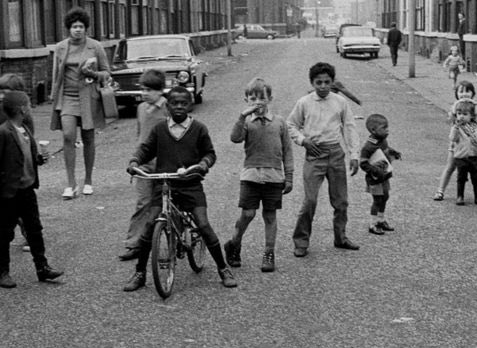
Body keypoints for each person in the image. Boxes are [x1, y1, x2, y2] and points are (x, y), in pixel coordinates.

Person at [123, 86, 237, 291]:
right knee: (150, 224)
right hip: (164, 184)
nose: (178, 107)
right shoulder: (159, 129)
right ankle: (140, 272)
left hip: (190, 185)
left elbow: (209, 153)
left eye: (183, 103)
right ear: (167, 106)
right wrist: (135, 162)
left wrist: (203, 164)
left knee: (202, 224)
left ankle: (223, 268)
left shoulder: (199, 129)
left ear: (190, 106)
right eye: (174, 103)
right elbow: (145, 149)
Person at [0, 91, 64, 289]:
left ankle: (42, 267)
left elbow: (25, 156)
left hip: (28, 190)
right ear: (22, 109)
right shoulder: (2, 133)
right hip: (9, 194)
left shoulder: (25, 130)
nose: (29, 108)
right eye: (28, 105)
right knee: (6, 233)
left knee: (35, 230)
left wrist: (39, 159)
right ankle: (3, 272)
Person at [287, 62, 361, 257]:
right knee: (310, 200)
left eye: (327, 82)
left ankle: (341, 237)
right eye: (318, 82)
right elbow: (291, 125)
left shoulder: (340, 102)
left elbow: (350, 127)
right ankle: (301, 241)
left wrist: (354, 154)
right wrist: (303, 141)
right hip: (315, 154)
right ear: (312, 82)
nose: (322, 86)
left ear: (332, 82)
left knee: (341, 201)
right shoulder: (304, 102)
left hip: (335, 153)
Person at [223, 78, 294, 273]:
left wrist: (289, 176)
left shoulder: (279, 122)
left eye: (262, 98)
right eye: (252, 98)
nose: (258, 102)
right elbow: (235, 138)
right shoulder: (246, 122)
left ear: (269, 99)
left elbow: (287, 151)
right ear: (246, 100)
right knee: (248, 213)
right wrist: (241, 117)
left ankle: (269, 253)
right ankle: (234, 244)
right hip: (251, 175)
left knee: (270, 216)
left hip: (274, 176)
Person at [49, 7, 111, 200]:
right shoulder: (60, 47)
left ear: (86, 28)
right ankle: (70, 183)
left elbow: (107, 73)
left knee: (88, 139)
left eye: (81, 26)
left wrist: (92, 73)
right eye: (74, 26)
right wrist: (53, 95)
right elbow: (55, 75)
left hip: (88, 98)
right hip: (66, 97)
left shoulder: (95, 47)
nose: (77, 29)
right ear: (69, 28)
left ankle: (88, 181)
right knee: (68, 135)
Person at [118, 70, 169, 262]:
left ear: (160, 90)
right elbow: (140, 137)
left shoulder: (168, 108)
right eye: (142, 89)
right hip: (144, 165)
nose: (145, 93)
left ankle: (170, 244)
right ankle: (134, 244)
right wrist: (135, 158)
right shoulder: (141, 108)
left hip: (165, 165)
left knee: (168, 205)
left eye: (149, 90)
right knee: (143, 203)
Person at [0, 73, 35, 253]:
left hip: (17, 163)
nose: (1, 97)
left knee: (21, 204)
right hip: (1, 161)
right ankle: (12, 229)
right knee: (8, 204)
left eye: (6, 93)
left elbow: (28, 136)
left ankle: (27, 233)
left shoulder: (24, 113)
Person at [433, 81, 477, 201]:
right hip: (457, 144)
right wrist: (455, 112)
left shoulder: (476, 106)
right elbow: (449, 120)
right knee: (450, 166)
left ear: (473, 93)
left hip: (471, 144)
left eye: (467, 91)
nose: (464, 94)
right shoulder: (455, 106)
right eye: (461, 91)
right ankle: (440, 191)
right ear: (456, 93)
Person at [359, 114, 401, 235]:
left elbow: (385, 150)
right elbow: (363, 163)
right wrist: (373, 170)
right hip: (375, 178)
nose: (387, 130)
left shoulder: (382, 141)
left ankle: (381, 219)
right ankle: (373, 224)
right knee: (377, 200)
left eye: (387, 127)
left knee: (385, 196)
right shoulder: (369, 146)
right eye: (384, 128)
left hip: (384, 176)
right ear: (373, 130)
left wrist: (393, 152)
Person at [449, 100, 477, 206]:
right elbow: (453, 138)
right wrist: (455, 129)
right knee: (461, 177)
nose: (461, 117)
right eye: (459, 114)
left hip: (474, 156)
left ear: (472, 116)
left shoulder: (476, 128)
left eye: (465, 114)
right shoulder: (457, 128)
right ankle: (460, 196)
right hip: (461, 156)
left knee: (476, 177)